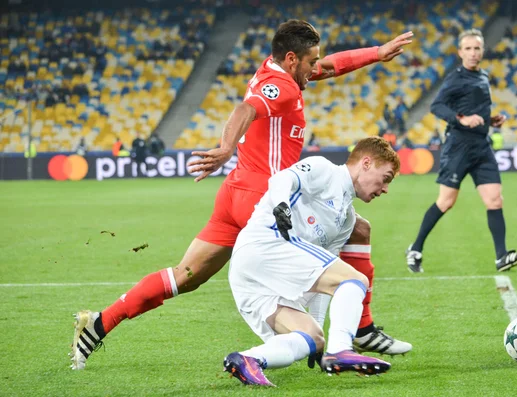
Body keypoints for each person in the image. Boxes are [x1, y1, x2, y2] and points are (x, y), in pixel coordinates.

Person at [71, 20, 414, 370]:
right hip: (261, 196)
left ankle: (100, 322)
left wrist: (376, 53)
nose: (317, 69)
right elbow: (245, 109)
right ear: (293, 59)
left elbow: (328, 67)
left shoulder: (278, 71)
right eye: (312, 62)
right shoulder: (282, 87)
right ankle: (357, 328)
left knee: (186, 275)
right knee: (353, 231)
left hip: (234, 193)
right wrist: (225, 148)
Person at [224, 137, 399, 386]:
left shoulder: (347, 219)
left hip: (257, 274)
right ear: (367, 163)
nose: (385, 189)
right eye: (386, 178)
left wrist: (318, 326)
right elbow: (282, 178)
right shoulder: (325, 170)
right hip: (266, 243)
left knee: (312, 337)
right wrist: (282, 204)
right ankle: (341, 350)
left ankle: (248, 359)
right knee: (355, 279)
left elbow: (324, 281)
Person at [405, 29, 517, 274]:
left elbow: (475, 107)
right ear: (460, 52)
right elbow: (437, 106)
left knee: (495, 199)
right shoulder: (456, 78)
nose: (473, 53)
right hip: (459, 146)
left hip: (481, 146)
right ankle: (416, 248)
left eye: (477, 48)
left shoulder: (483, 76)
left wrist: (489, 119)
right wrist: (460, 119)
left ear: (482, 51)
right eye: (468, 49)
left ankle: (501, 257)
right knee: (446, 201)